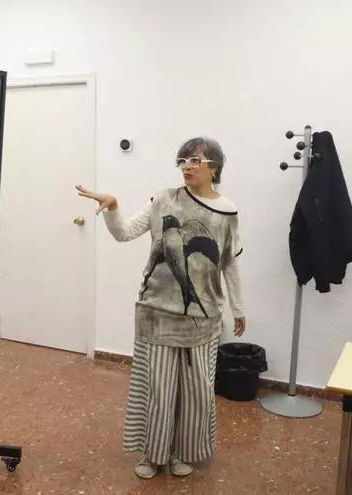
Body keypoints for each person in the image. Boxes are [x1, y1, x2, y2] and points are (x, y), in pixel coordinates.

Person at [76, 136, 245, 479]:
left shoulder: (227, 211)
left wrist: (238, 308)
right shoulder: (163, 199)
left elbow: (228, 263)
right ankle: (153, 454)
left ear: (214, 167)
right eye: (182, 161)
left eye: (195, 161)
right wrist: (113, 207)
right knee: (159, 389)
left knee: (196, 391)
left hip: (203, 319)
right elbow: (124, 233)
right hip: (157, 313)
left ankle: (182, 452)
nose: (187, 168)